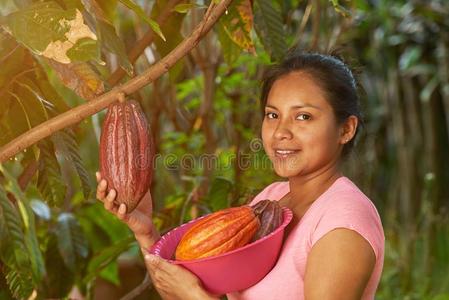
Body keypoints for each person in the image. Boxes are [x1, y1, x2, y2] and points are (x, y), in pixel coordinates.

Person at [96, 50, 385, 299]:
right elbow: (190, 288)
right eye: (273, 115)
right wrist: (145, 230)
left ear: (346, 129)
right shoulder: (272, 199)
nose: (281, 132)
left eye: (303, 116)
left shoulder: (343, 221)